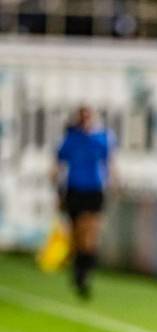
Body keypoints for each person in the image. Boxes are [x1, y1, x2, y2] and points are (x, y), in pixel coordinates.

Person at [51, 106, 117, 298]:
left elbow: (110, 163)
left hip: (94, 190)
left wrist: (114, 182)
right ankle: (79, 268)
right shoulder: (70, 139)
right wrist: (57, 191)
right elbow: (58, 165)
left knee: (91, 233)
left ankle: (84, 273)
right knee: (78, 234)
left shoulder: (103, 138)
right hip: (75, 190)